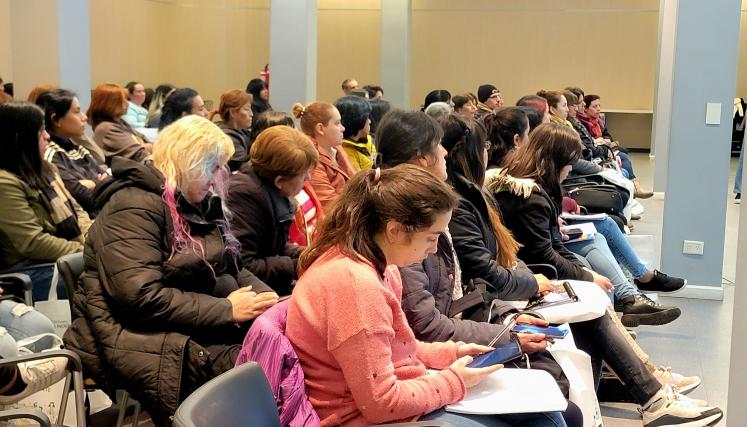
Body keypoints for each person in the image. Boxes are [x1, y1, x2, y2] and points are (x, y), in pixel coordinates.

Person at [287, 164, 568, 427]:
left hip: (388, 401)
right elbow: (381, 403)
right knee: (544, 419)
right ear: (395, 231)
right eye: (432, 238)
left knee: (548, 413)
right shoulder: (356, 286)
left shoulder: (378, 266)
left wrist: (452, 353)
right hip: (365, 418)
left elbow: (399, 348)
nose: (434, 250)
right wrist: (454, 381)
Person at [63, 115, 279, 426]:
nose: (222, 175)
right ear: (189, 162)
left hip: (190, 321)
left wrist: (265, 298)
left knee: (284, 345)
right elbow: (139, 296)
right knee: (267, 369)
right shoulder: (134, 206)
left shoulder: (195, 200)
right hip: (139, 335)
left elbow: (233, 265)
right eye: (214, 166)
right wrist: (226, 310)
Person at [488, 123, 682, 327]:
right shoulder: (532, 199)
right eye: (569, 162)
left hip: (536, 254)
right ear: (556, 162)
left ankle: (628, 299)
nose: (572, 168)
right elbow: (544, 253)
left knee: (597, 238)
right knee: (593, 251)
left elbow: (549, 244)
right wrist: (587, 275)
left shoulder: (531, 188)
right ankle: (628, 299)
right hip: (530, 265)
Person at [0, 102, 91, 301]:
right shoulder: (5, 182)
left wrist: (92, 238)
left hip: (67, 255)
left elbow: (78, 212)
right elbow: (32, 242)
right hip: (32, 267)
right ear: (19, 137)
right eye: (40, 130)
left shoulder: (47, 169)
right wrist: (85, 250)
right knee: (104, 280)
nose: (47, 136)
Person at [227, 126, 318, 296]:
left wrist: (305, 253)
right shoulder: (244, 196)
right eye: (303, 174)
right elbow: (243, 265)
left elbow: (271, 245)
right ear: (279, 180)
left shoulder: (267, 188)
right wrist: (297, 264)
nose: (308, 178)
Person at [36, 89, 108, 215]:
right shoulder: (50, 153)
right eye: (77, 111)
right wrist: (99, 181)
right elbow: (85, 199)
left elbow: (109, 179)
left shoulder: (76, 147)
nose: (84, 117)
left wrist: (92, 183)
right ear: (56, 120)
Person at [577, 94, 653, 198]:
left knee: (623, 153)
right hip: (597, 152)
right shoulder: (582, 123)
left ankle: (633, 189)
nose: (598, 109)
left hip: (604, 147)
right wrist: (598, 141)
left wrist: (605, 140)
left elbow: (608, 136)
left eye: (599, 105)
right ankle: (634, 188)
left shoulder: (599, 121)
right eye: (594, 106)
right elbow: (590, 144)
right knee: (623, 156)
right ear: (585, 109)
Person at [292, 101, 355, 209]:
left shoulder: (335, 147)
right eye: (337, 123)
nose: (343, 128)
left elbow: (355, 179)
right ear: (320, 129)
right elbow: (329, 205)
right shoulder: (311, 160)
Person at [89, 83, 153, 166]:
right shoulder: (106, 129)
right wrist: (149, 146)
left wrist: (148, 146)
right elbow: (140, 154)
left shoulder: (120, 122)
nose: (127, 103)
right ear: (111, 104)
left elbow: (145, 140)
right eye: (124, 100)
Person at [209, 89, 254, 171]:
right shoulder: (228, 138)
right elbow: (244, 168)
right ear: (233, 112)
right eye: (247, 109)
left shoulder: (241, 131)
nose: (251, 114)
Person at [335, 95, 376, 171]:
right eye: (366, 118)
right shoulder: (345, 151)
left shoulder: (368, 141)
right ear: (357, 120)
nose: (370, 121)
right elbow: (358, 180)